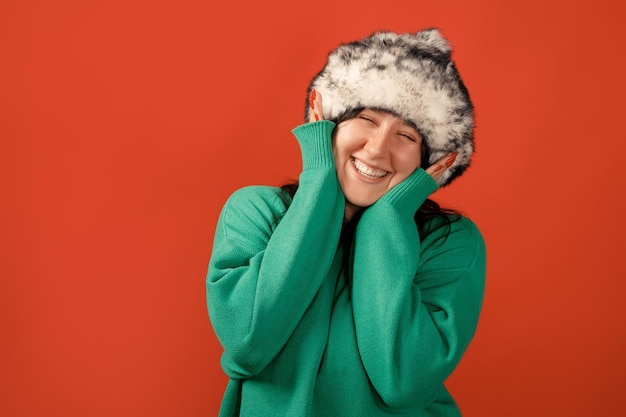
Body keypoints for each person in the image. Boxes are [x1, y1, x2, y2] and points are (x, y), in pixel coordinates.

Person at [206, 28, 486, 417]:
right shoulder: (256, 211)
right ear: (326, 118)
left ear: (431, 161)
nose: (377, 149)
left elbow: (403, 381)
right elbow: (249, 341)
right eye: (366, 119)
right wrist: (320, 180)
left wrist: (388, 216)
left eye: (406, 135)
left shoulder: (449, 241)